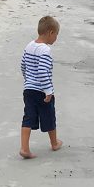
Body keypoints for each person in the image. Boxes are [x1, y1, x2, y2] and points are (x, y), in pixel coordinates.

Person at [19, 15, 63, 159]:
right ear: (50, 32)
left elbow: (23, 66)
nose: (56, 38)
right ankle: (54, 143)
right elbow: (43, 72)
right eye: (56, 34)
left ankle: (24, 148)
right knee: (49, 117)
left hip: (29, 90)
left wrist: (28, 81)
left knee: (28, 117)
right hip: (42, 91)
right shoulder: (45, 50)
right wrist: (48, 90)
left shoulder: (29, 46)